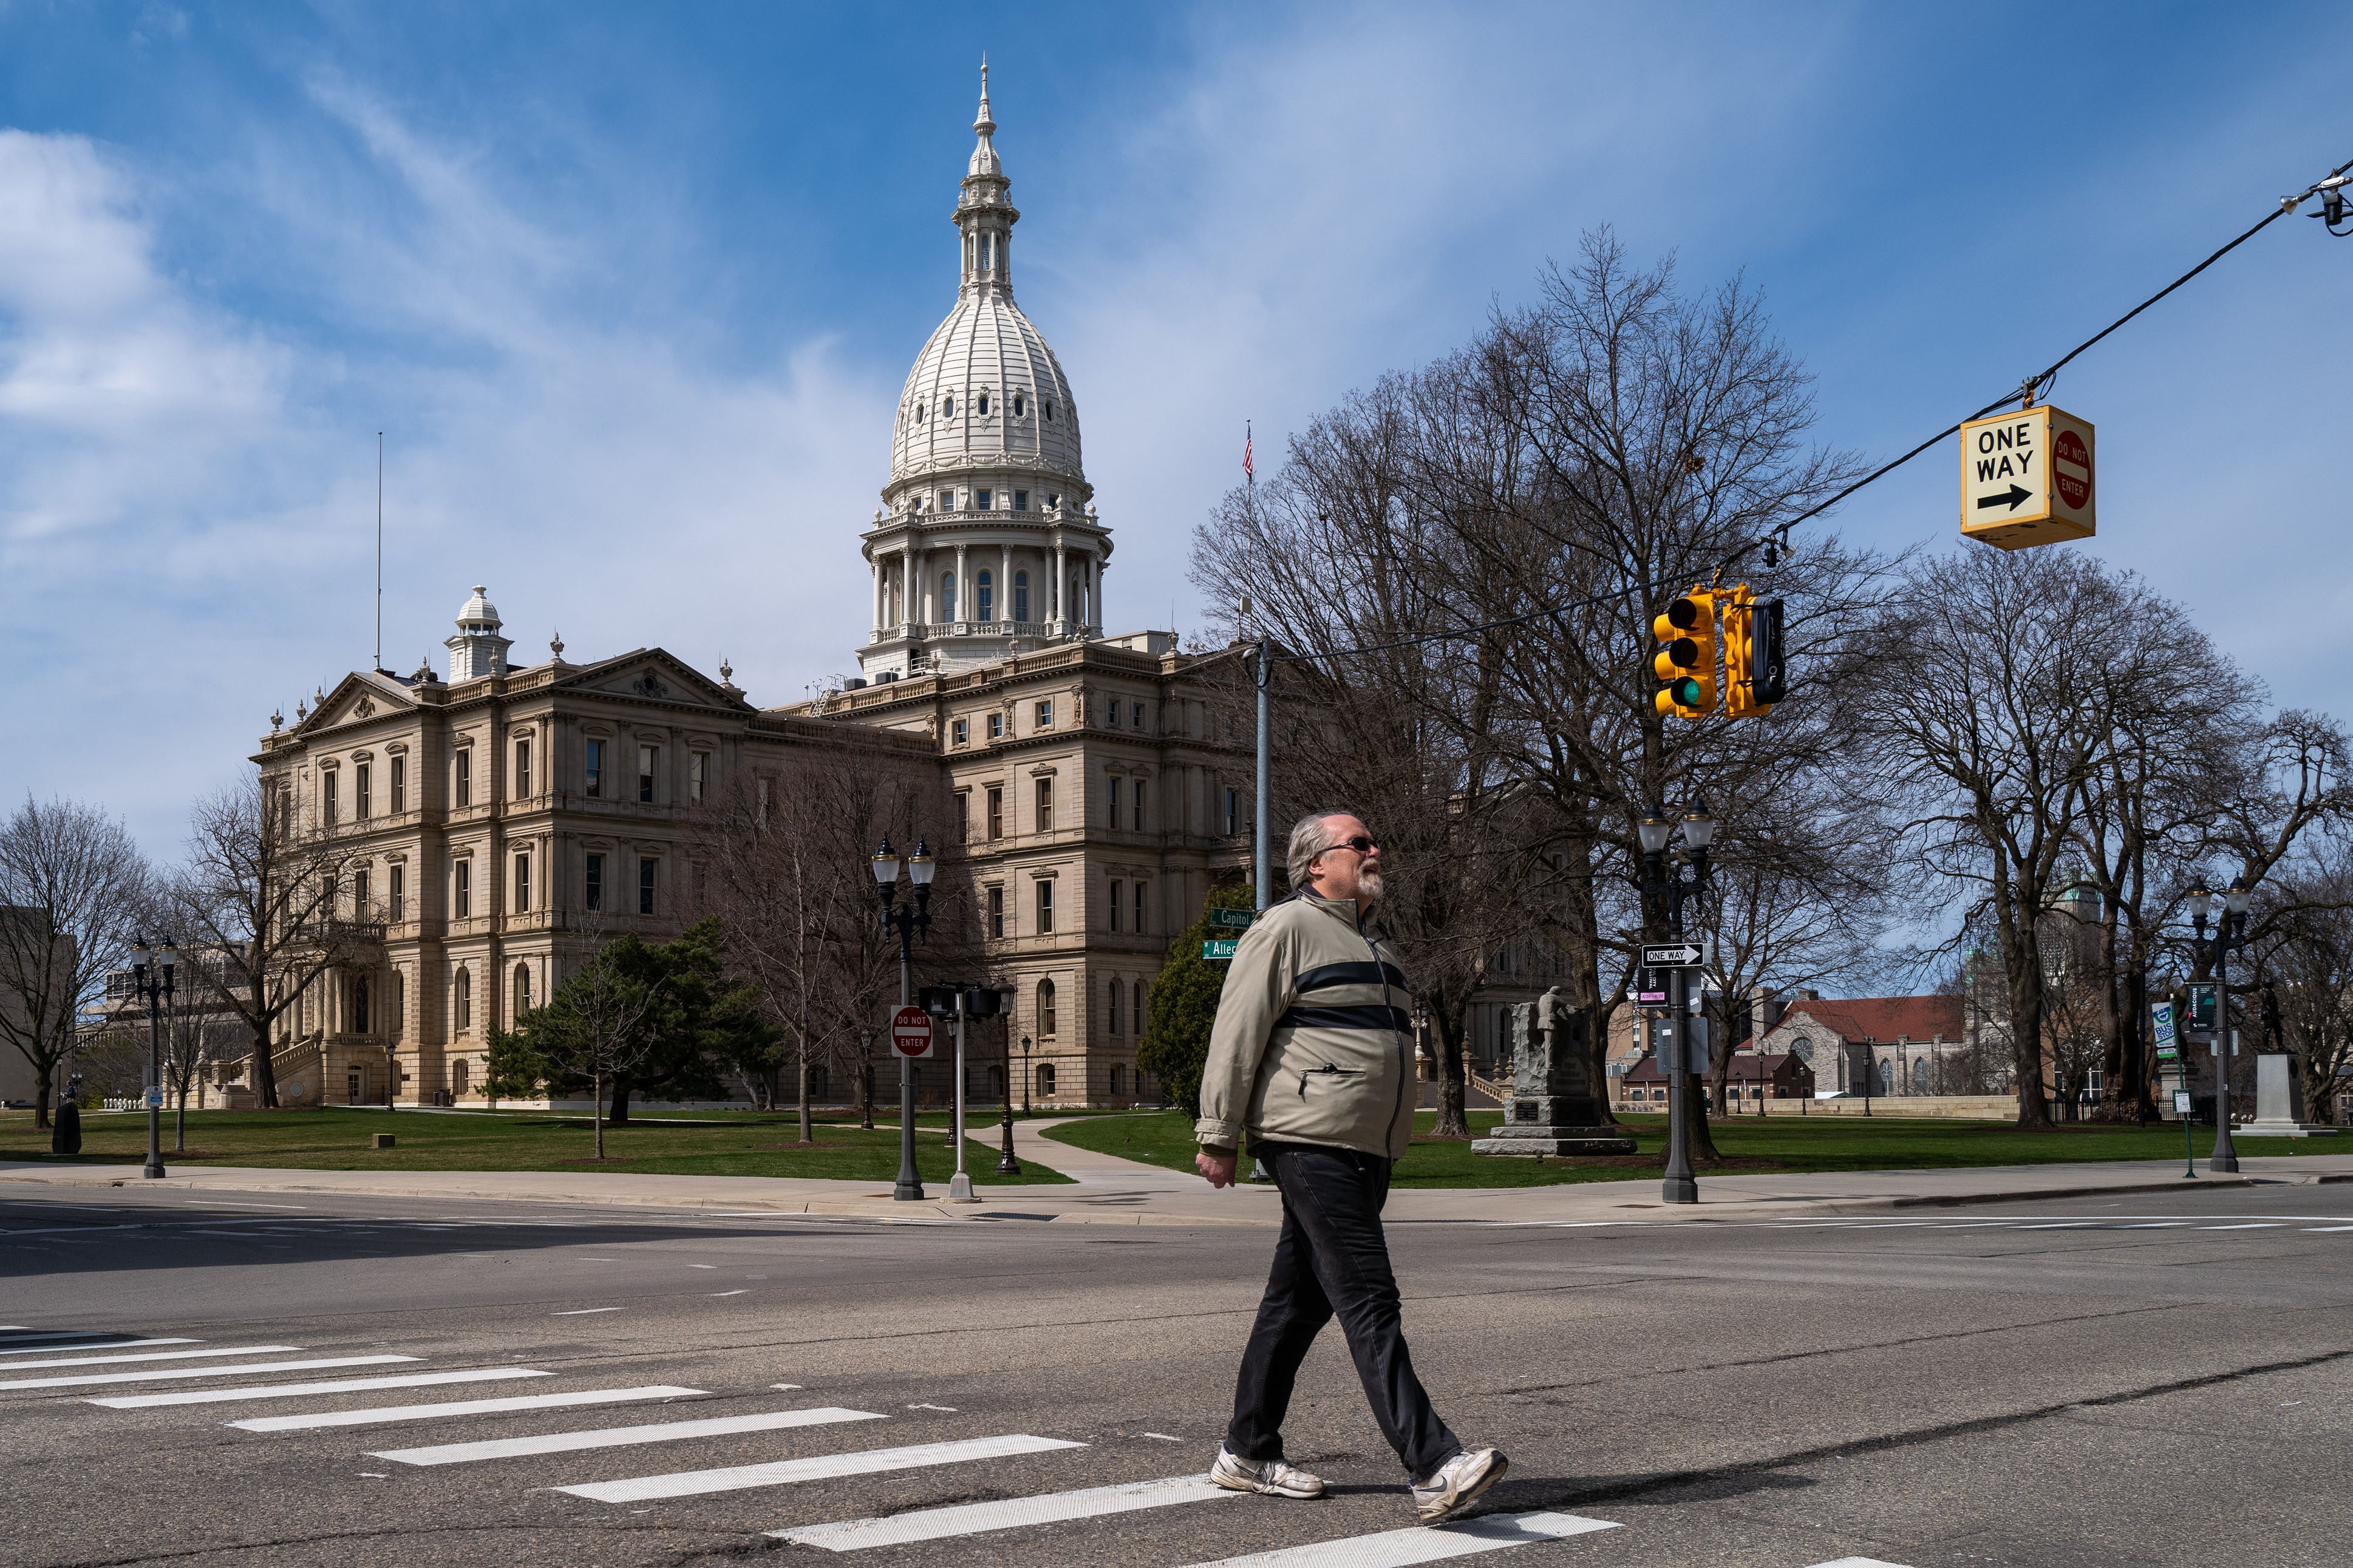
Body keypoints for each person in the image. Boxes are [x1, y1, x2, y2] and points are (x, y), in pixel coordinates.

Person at [1194, 810, 1507, 1524]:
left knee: (1296, 1304)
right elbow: (1235, 1032)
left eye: (1373, 840)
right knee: (1369, 1295)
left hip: (1364, 1146)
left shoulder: (1380, 950)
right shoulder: (1282, 929)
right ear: (1315, 865)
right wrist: (1218, 1133)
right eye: (1359, 844)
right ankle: (1432, 1465)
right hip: (1307, 1140)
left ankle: (1245, 1451)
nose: (1375, 851)